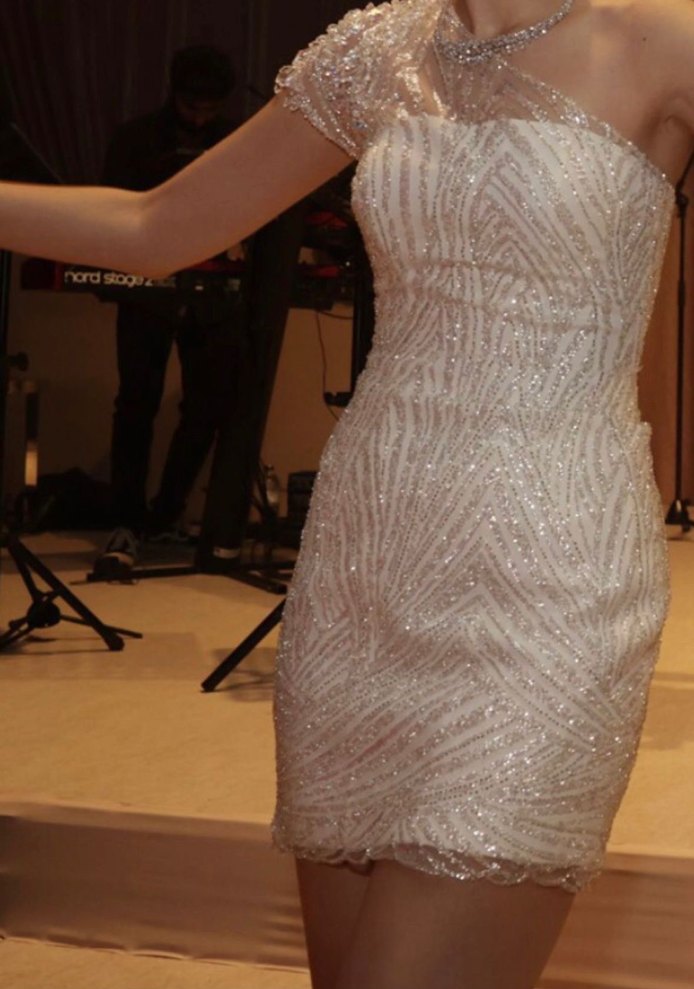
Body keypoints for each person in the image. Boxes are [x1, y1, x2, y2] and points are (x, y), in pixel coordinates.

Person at [2, 1, 693, 985]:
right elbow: (160, 226)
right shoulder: (373, 51)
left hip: (552, 575)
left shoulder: (664, 39)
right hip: (363, 566)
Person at [96, 45, 243, 578]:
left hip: (213, 289)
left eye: (210, 109)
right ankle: (126, 521)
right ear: (173, 94)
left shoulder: (235, 142)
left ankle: (166, 513)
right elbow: (112, 206)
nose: (200, 118)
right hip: (146, 285)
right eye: (191, 107)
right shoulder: (136, 139)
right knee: (137, 402)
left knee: (207, 405)